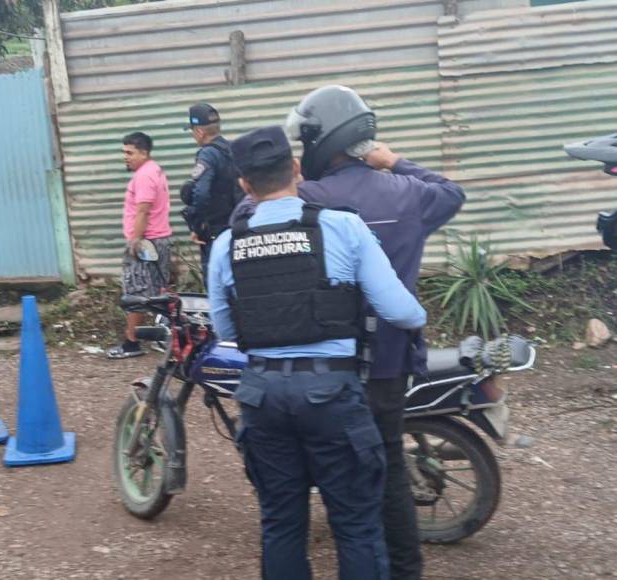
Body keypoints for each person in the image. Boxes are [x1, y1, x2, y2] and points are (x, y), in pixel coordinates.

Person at [226, 85, 464, 579]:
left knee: (307, 490)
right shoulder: (411, 195)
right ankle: (402, 570)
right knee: (387, 469)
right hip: (389, 362)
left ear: (315, 146)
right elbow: (451, 193)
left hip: (322, 363)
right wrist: (393, 160)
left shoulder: (304, 198)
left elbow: (245, 222)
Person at [108, 132, 172, 359]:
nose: (125, 157)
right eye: (124, 152)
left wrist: (135, 241)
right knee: (156, 292)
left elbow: (143, 211)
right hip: (158, 239)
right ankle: (163, 336)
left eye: (130, 153)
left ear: (144, 152)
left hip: (146, 242)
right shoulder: (154, 170)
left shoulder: (144, 176)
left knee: (136, 292)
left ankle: (131, 342)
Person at [180, 103, 241, 282]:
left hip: (215, 234)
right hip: (238, 229)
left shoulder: (207, 154)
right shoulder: (234, 150)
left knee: (216, 286)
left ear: (199, 132)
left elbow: (201, 194)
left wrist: (198, 227)